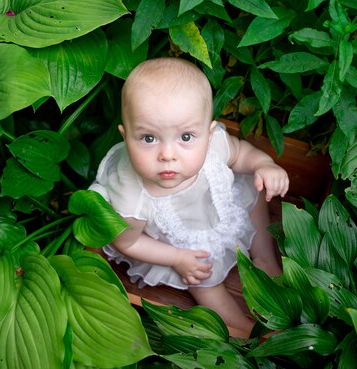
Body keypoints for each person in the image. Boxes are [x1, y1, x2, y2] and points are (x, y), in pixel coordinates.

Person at [90, 57, 289, 335]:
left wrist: (264, 165)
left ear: (208, 134)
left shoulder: (213, 144)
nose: (168, 155)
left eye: (186, 137)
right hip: (181, 242)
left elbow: (242, 152)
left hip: (216, 208)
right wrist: (176, 257)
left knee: (252, 195)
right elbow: (128, 241)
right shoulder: (131, 192)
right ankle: (241, 329)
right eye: (148, 138)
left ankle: (265, 257)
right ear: (126, 137)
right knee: (200, 277)